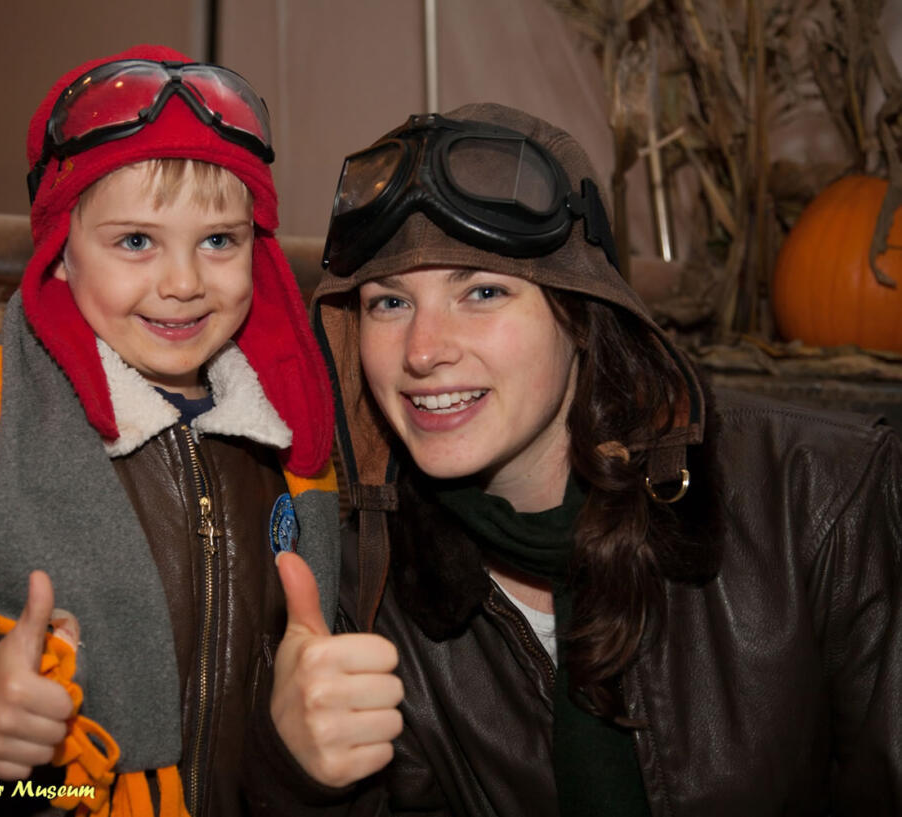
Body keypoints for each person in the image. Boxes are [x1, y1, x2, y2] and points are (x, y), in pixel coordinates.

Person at [243, 103, 902, 815]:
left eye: (483, 290)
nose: (424, 350)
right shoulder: (367, 588)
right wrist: (298, 775)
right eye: (390, 302)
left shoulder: (818, 498)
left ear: (581, 314)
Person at [0, 43, 340, 817]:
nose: (185, 282)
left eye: (219, 241)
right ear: (61, 255)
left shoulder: (294, 449)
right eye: (135, 241)